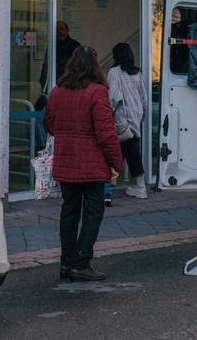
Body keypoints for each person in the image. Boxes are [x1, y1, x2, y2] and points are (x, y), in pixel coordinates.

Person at [44, 46, 123, 282]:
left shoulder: (57, 91)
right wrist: (116, 162)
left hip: (66, 161)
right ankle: (82, 261)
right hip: (92, 165)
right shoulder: (97, 92)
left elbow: (49, 124)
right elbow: (106, 133)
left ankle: (66, 263)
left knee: (69, 212)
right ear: (94, 66)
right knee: (92, 213)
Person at [107, 42, 147, 202]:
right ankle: (138, 185)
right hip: (136, 118)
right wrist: (142, 116)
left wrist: (106, 115)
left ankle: (110, 189)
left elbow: (113, 98)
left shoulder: (114, 72)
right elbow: (144, 98)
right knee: (129, 151)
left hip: (121, 119)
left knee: (115, 153)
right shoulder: (137, 73)